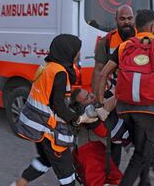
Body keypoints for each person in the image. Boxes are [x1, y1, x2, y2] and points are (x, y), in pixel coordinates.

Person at [96, 9, 154, 186]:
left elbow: (103, 74)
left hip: (124, 108)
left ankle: (145, 182)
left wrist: (100, 102)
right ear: (153, 26)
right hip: (148, 110)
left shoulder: (125, 46)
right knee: (141, 155)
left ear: (136, 26)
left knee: (142, 150)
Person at [10, 34, 98, 186]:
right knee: (67, 176)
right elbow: (59, 106)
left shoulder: (47, 66)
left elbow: (50, 97)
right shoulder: (60, 73)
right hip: (47, 130)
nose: (79, 55)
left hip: (35, 125)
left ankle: (19, 184)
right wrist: (77, 118)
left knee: (45, 160)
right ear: (68, 51)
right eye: (77, 51)